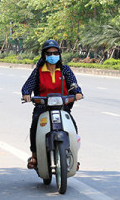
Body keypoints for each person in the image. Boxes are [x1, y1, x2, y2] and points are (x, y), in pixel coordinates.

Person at [21, 39, 83, 170]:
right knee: (34, 126)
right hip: (42, 107)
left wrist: (78, 93)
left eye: (55, 53)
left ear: (59, 54)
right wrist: (26, 94)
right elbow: (27, 86)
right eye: (49, 53)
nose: (52, 56)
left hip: (62, 107)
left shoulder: (65, 70)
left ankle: (74, 157)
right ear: (44, 55)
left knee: (73, 127)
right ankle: (34, 156)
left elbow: (74, 85)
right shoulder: (38, 71)